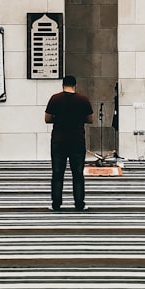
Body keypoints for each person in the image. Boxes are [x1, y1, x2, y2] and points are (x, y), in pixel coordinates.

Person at [44, 74, 94, 211]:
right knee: (77, 173)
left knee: (57, 173)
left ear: (63, 85)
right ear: (75, 85)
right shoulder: (83, 99)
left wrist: (59, 119)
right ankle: (79, 204)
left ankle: (56, 204)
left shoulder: (55, 98)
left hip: (58, 140)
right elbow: (90, 119)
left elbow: (47, 119)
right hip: (77, 140)